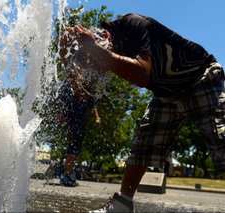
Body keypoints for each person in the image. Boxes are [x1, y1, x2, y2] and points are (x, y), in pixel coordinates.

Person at [60, 13, 225, 212]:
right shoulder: (106, 54)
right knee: (143, 145)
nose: (98, 68)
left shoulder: (132, 24)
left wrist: (93, 50)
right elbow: (82, 92)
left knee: (220, 138)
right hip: (166, 92)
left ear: (102, 39)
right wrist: (65, 58)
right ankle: (122, 205)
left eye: (95, 62)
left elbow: (142, 73)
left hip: (200, 77)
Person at [58, 79, 100, 186]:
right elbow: (62, 99)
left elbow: (93, 104)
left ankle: (68, 172)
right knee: (73, 147)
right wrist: (61, 113)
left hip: (82, 122)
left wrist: (97, 117)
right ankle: (67, 173)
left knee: (75, 148)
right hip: (72, 120)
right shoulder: (70, 87)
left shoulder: (88, 91)